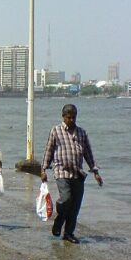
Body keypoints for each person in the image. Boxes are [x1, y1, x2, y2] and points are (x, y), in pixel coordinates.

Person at [41, 104, 103, 244]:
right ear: (63, 117)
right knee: (66, 198)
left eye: (74, 117)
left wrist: (96, 172)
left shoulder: (82, 133)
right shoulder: (56, 131)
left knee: (75, 206)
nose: (71, 120)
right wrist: (43, 169)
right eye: (69, 117)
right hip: (61, 171)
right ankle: (59, 220)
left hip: (77, 174)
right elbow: (49, 151)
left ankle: (68, 233)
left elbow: (88, 153)